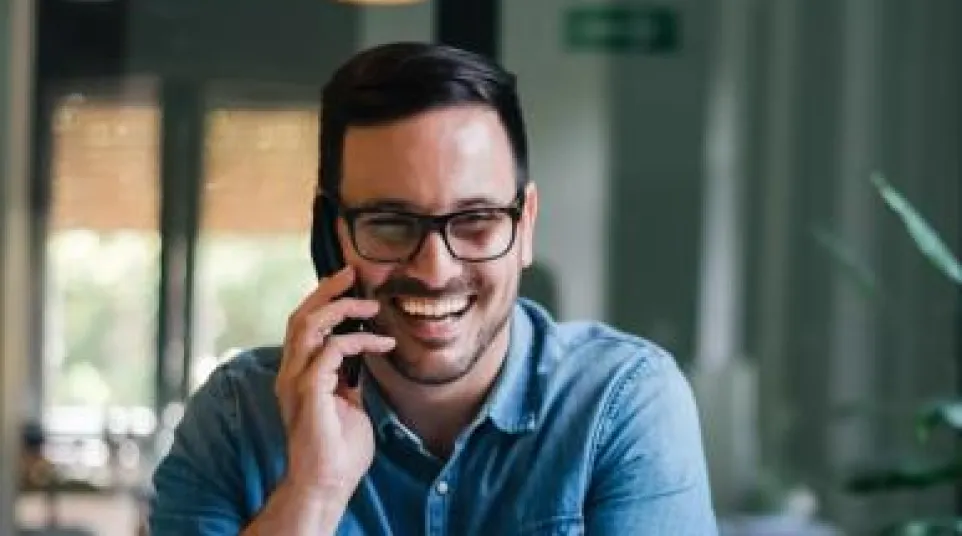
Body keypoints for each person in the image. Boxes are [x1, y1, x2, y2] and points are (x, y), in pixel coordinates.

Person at [149, 42, 717, 535]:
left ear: (526, 226)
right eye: (391, 222)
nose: (436, 269)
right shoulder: (235, 418)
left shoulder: (620, 404)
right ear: (332, 235)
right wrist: (314, 493)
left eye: (476, 220)